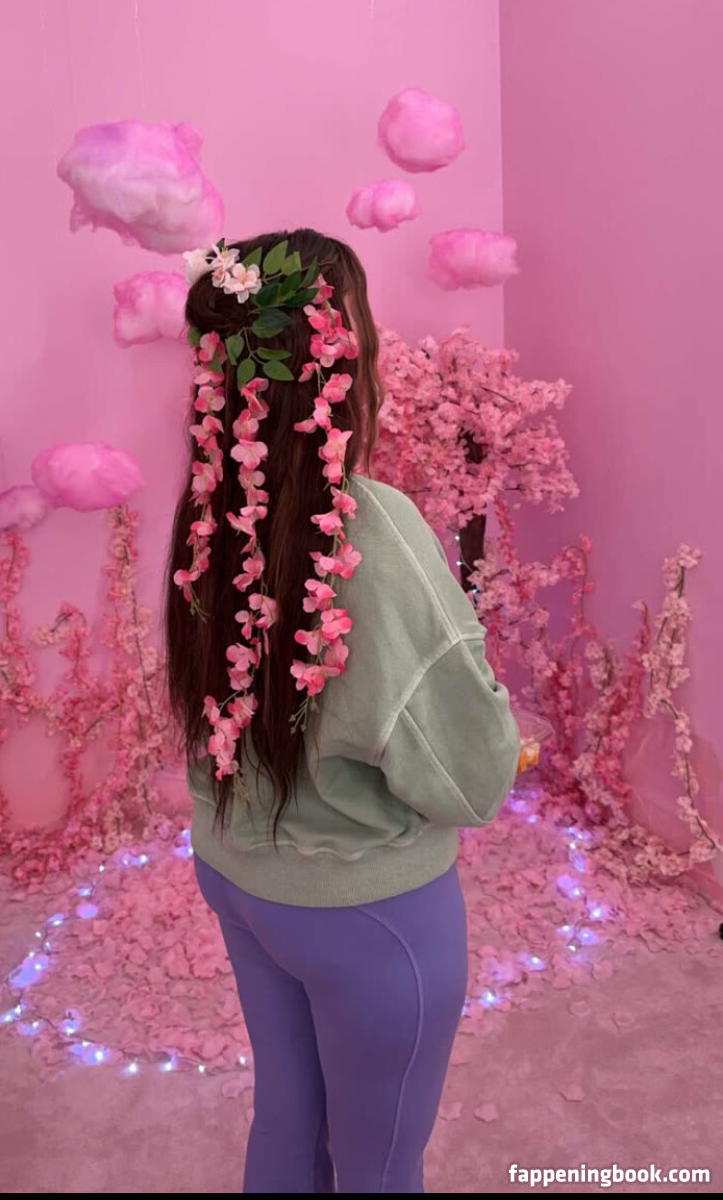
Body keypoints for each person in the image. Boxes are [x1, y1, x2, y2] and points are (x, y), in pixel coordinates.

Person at [165, 227, 520, 1194]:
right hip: (366, 913)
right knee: (380, 1162)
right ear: (335, 368)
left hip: (235, 870)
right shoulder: (374, 526)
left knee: (288, 1115)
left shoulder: (211, 511)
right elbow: (472, 777)